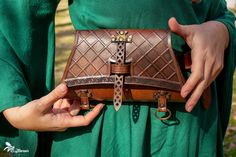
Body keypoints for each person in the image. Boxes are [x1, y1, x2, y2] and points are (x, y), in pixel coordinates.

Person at [0, 0, 235, 156]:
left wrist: (220, 30)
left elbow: (217, 12)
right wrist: (13, 103)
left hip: (184, 122)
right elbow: (17, 9)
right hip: (94, 119)